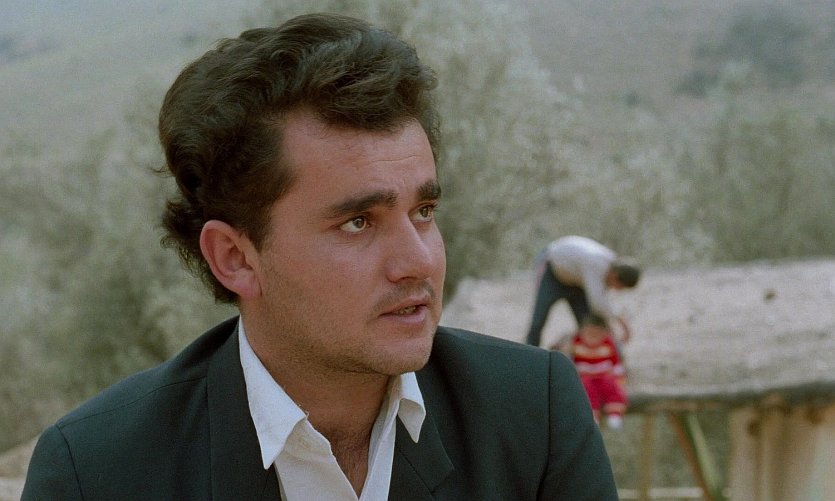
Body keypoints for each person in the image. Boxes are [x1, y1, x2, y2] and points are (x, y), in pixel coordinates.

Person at [22, 13, 618, 500]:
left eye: (423, 211)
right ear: (235, 258)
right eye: (358, 222)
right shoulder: (97, 473)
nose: (418, 262)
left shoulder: (533, 415)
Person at [525, 235, 641, 348]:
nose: (614, 289)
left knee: (588, 326)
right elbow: (598, 304)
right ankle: (531, 352)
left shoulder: (609, 266)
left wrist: (610, 331)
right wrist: (621, 322)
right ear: (614, 276)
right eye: (618, 287)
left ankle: (591, 356)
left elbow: (601, 307)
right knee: (538, 320)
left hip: (577, 284)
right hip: (552, 273)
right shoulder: (596, 264)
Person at [557, 314, 629, 430]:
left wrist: (624, 325)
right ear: (581, 332)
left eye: (596, 334)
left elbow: (621, 349)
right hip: (585, 377)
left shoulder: (609, 343)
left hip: (605, 375)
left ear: (604, 333)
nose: (592, 338)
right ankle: (592, 416)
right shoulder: (575, 342)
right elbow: (562, 353)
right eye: (589, 334)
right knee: (586, 390)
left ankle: (615, 413)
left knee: (612, 388)